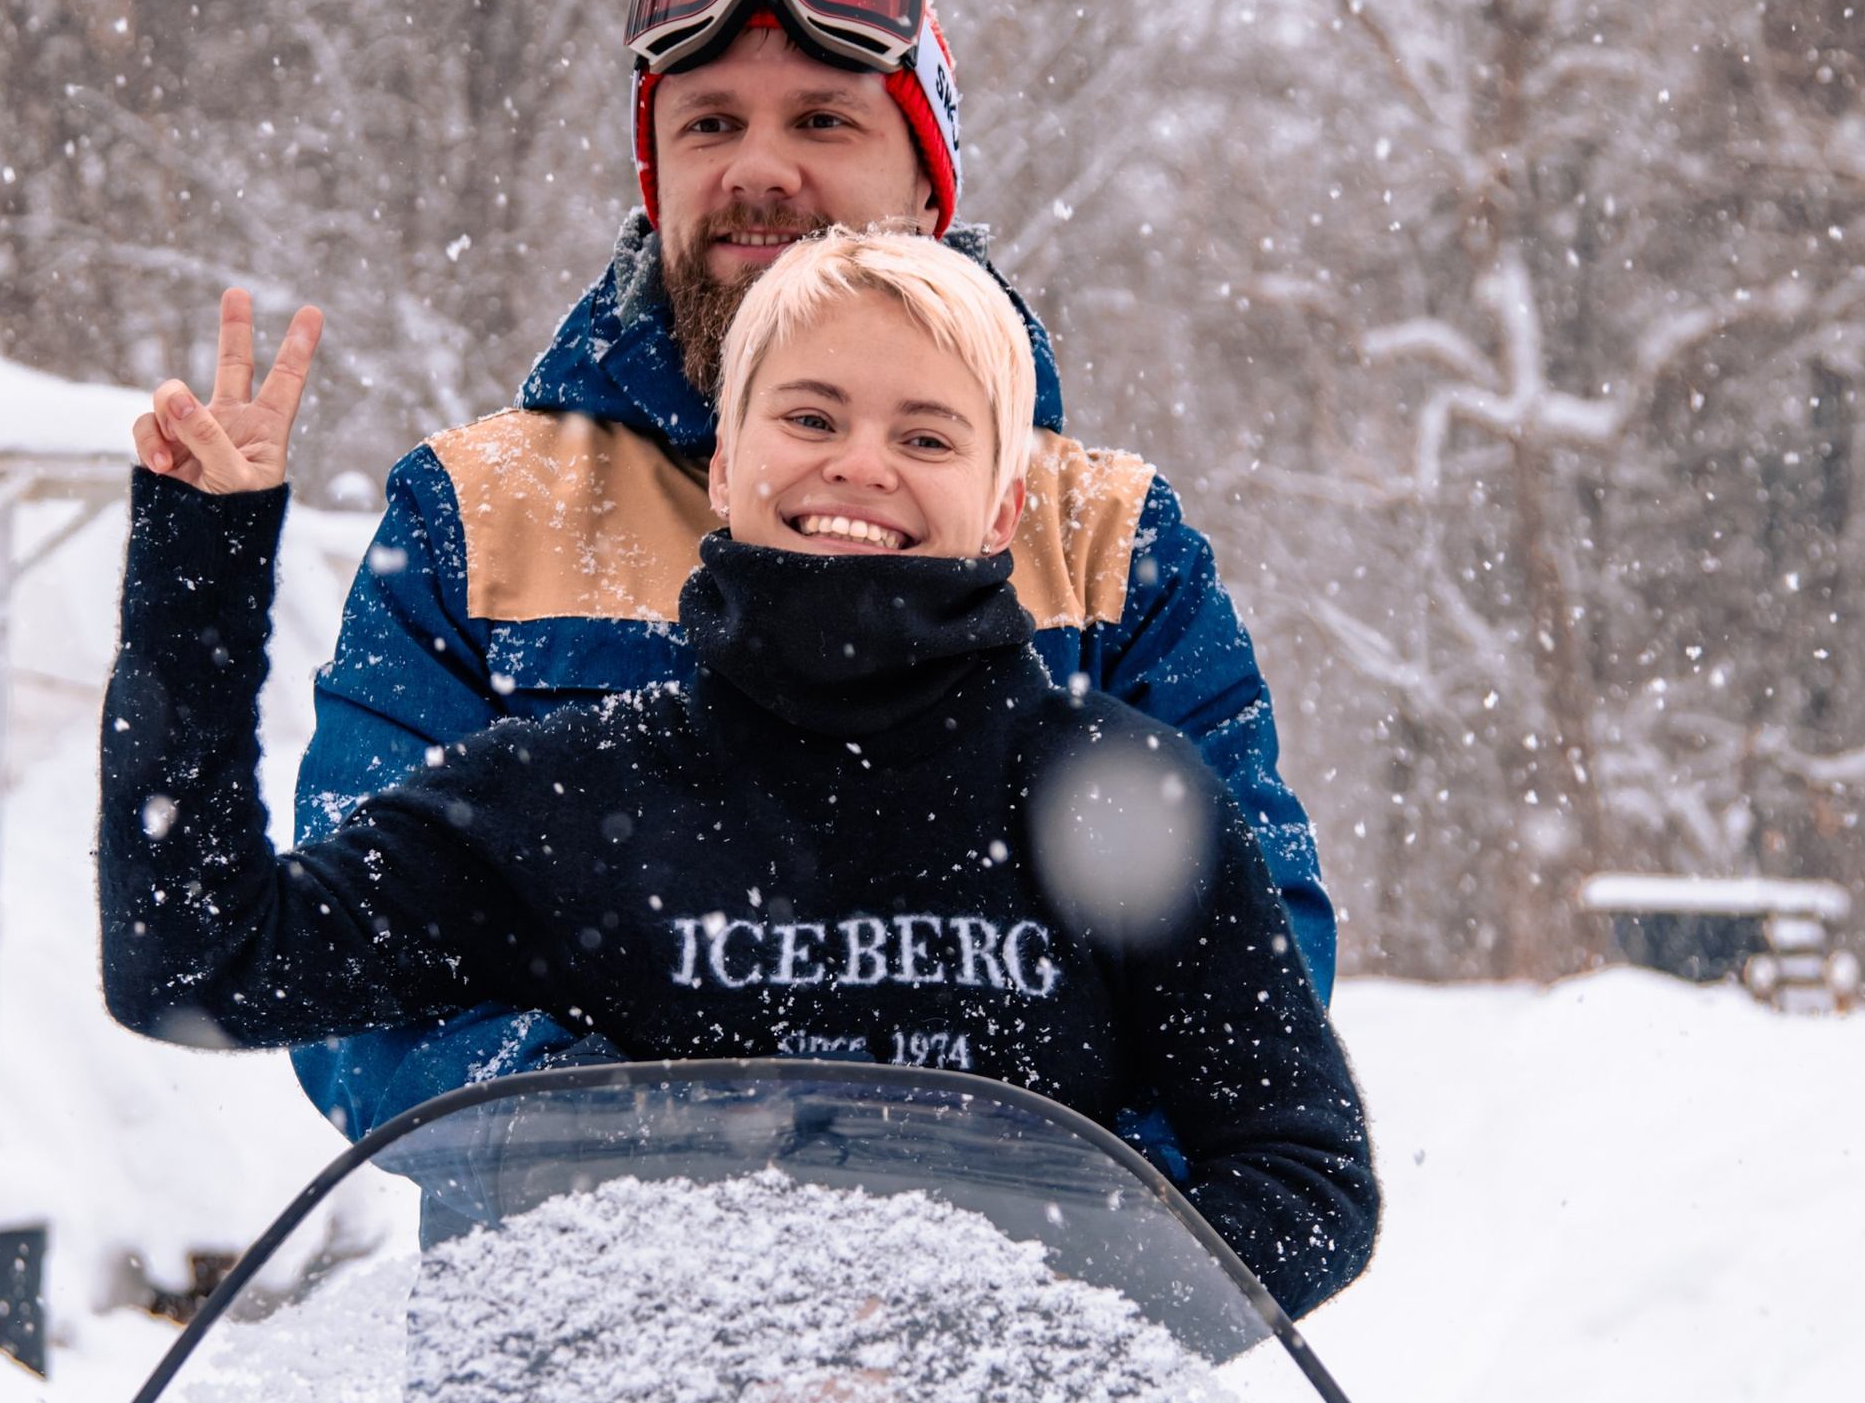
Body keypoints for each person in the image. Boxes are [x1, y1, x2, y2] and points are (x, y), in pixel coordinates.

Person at [105, 233, 1378, 1319]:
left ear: (1003, 506)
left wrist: (992, 1351)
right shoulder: (564, 796)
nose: (858, 464)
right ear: (723, 462)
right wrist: (197, 571)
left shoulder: (1121, 798)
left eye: (926, 434)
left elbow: (1301, 1178)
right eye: (810, 417)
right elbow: (196, 962)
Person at [275, 0, 1336, 1155]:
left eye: (822, 120)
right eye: (709, 122)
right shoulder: (479, 516)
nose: (758, 169)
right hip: (580, 1314)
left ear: (928, 186)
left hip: (1006, 1324)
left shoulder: (1107, 539)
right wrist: (653, 1163)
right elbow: (352, 979)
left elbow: (1253, 982)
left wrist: (1035, 1232)